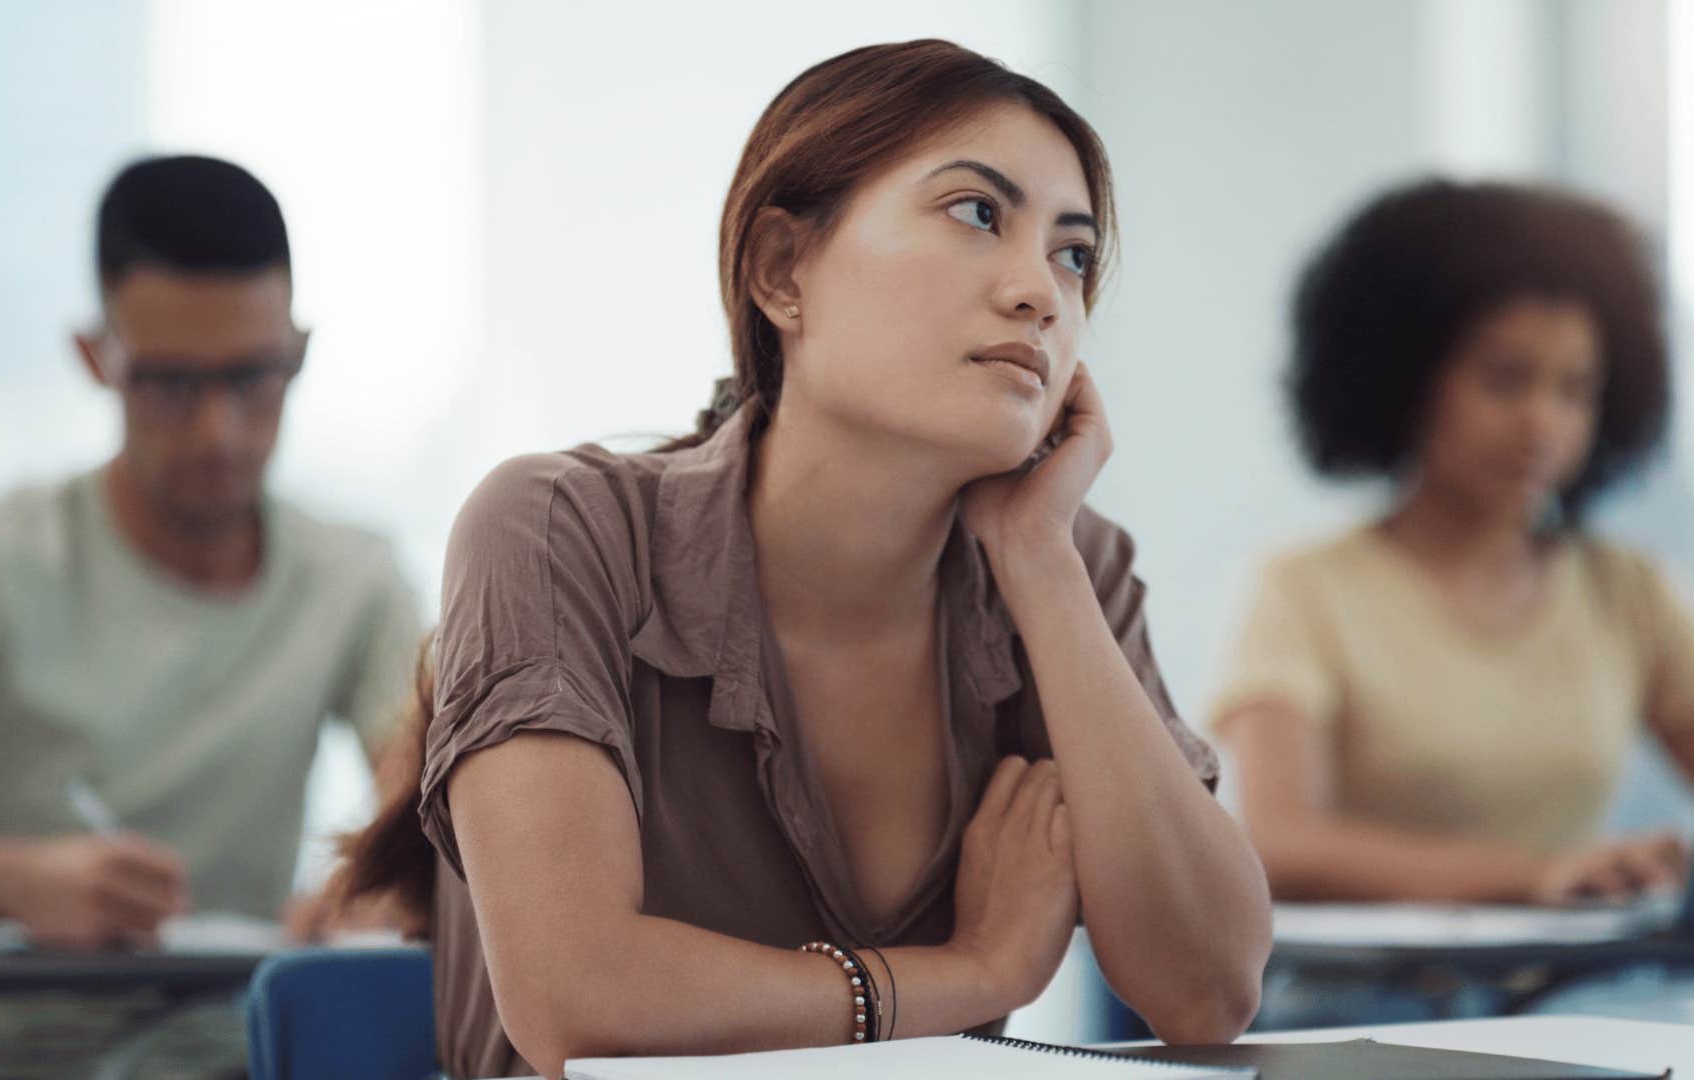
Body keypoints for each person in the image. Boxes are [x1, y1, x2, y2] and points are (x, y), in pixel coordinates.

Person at [343, 39, 1272, 1080]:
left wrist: (1038, 559)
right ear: (784, 270)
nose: (1041, 294)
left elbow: (1208, 994)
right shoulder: (559, 525)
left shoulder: (1067, 562)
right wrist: (973, 972)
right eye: (977, 213)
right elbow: (579, 1002)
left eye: (1073, 254)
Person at [0, 154, 423, 1077]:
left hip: (232, 1051)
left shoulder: (353, 580)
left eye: (255, 376)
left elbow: (427, 800)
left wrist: (380, 885)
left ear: (300, 352)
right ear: (98, 359)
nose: (221, 430)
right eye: (172, 383)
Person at [1207, 178, 1694, 909]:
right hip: (1351, 1008)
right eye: (1506, 379)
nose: (1542, 423)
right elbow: (1278, 844)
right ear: (1409, 378)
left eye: (1575, 389)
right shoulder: (1301, 589)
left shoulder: (1631, 590)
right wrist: (1532, 878)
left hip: (1572, 1002)